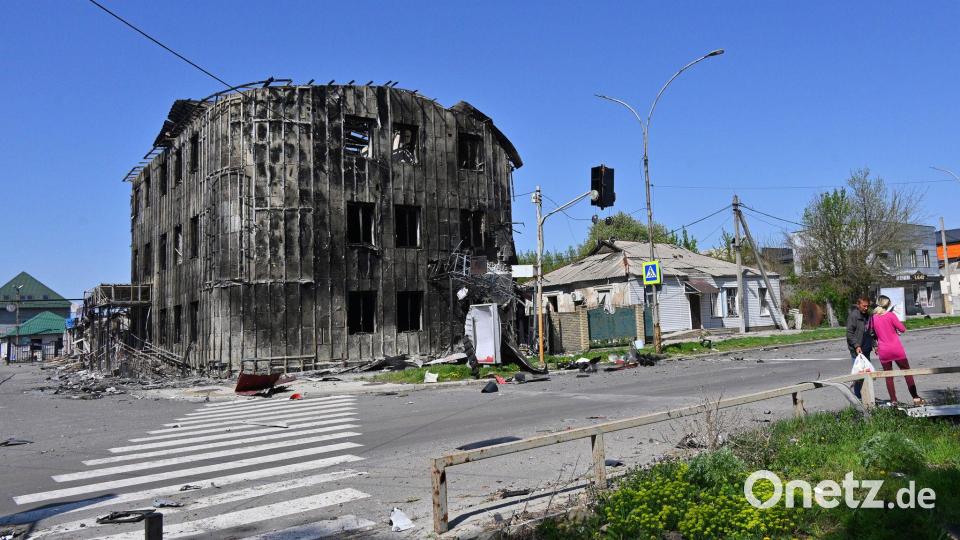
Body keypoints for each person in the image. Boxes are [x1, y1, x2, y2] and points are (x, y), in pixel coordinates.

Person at [871, 295, 924, 405]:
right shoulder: (891, 315)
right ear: (888, 304)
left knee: (888, 376)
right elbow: (902, 329)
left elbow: (872, 333)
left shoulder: (873, 318)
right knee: (907, 372)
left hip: (883, 350)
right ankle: (915, 397)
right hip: (896, 349)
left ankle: (893, 400)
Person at [845, 296, 874, 399]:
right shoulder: (853, 316)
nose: (866, 308)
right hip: (856, 351)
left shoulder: (869, 315)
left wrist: (874, 345)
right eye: (864, 306)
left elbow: (871, 331)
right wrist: (856, 345)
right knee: (858, 375)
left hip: (866, 349)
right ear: (858, 305)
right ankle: (858, 397)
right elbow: (849, 333)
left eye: (867, 306)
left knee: (867, 374)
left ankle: (867, 396)